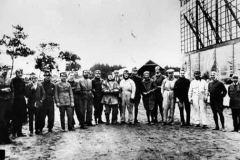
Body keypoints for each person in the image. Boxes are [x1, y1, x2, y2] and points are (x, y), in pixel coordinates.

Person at [10, 69, 27, 138]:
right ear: (16, 73)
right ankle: (13, 133)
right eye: (18, 73)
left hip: (22, 101)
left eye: (21, 73)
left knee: (21, 116)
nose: (20, 74)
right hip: (15, 101)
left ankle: (19, 132)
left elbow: (24, 91)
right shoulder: (13, 80)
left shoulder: (22, 81)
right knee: (15, 117)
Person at [0, 66, 13, 144]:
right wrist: (2, 90)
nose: (5, 71)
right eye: (4, 69)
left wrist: (12, 99)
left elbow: (12, 90)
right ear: (1, 70)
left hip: (7, 102)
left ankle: (7, 138)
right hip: (0, 102)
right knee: (1, 120)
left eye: (6, 70)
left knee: (8, 120)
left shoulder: (9, 80)